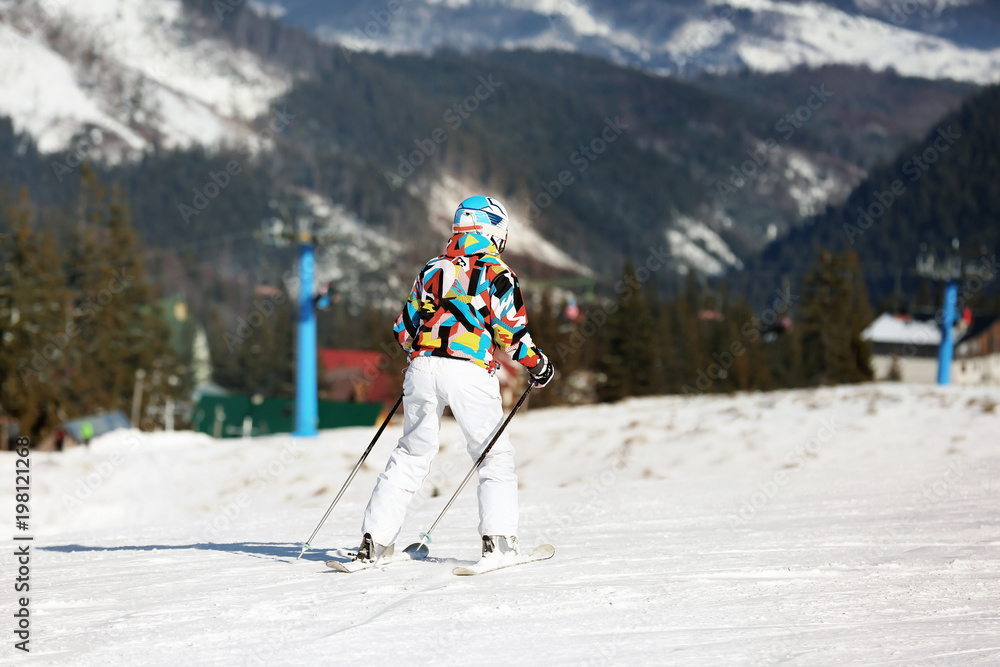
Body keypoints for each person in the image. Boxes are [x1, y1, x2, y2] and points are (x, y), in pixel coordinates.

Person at [355, 196, 554, 565]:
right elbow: (511, 335)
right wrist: (538, 364)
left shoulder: (432, 269)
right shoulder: (499, 274)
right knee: (493, 456)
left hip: (421, 368)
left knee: (411, 454)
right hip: (470, 370)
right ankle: (499, 544)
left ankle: (375, 543)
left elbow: (402, 330)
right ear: (493, 230)